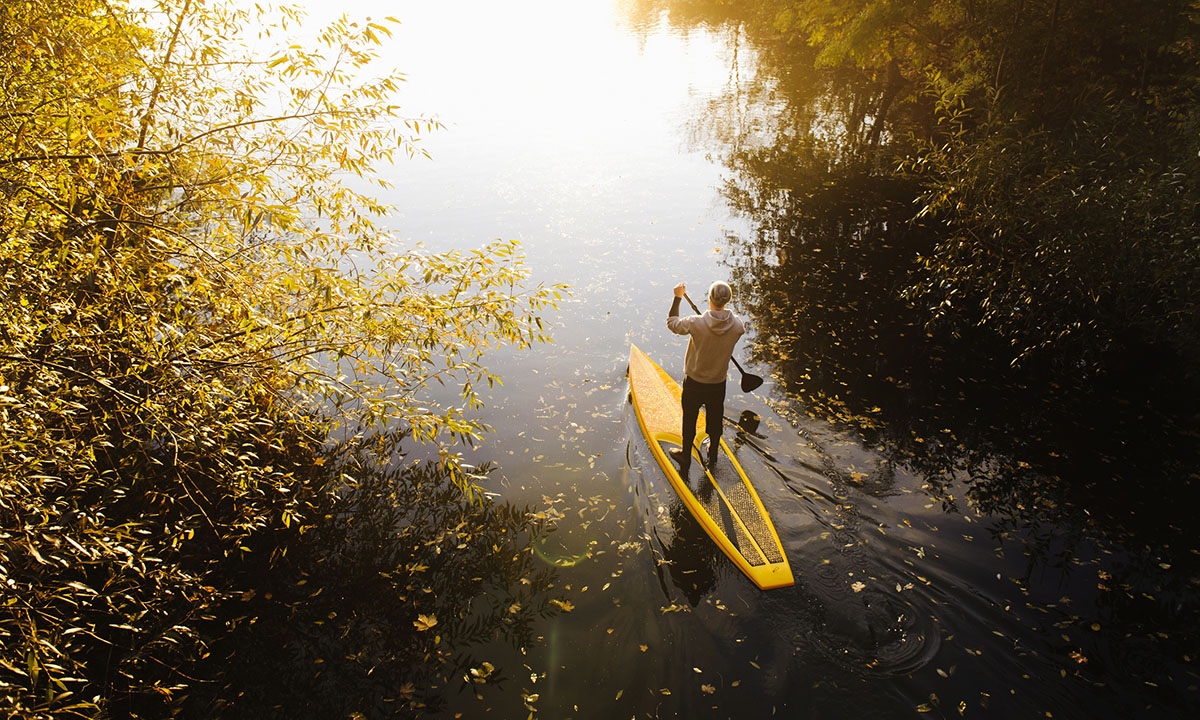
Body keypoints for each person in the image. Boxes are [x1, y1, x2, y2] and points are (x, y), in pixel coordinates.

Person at [666, 280, 745, 481]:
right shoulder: (737, 326)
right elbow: (732, 326)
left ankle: (685, 455)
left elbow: (672, 323)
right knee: (715, 416)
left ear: (709, 299)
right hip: (718, 383)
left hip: (694, 382)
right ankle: (713, 449)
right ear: (728, 301)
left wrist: (677, 297)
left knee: (690, 417)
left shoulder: (696, 323)